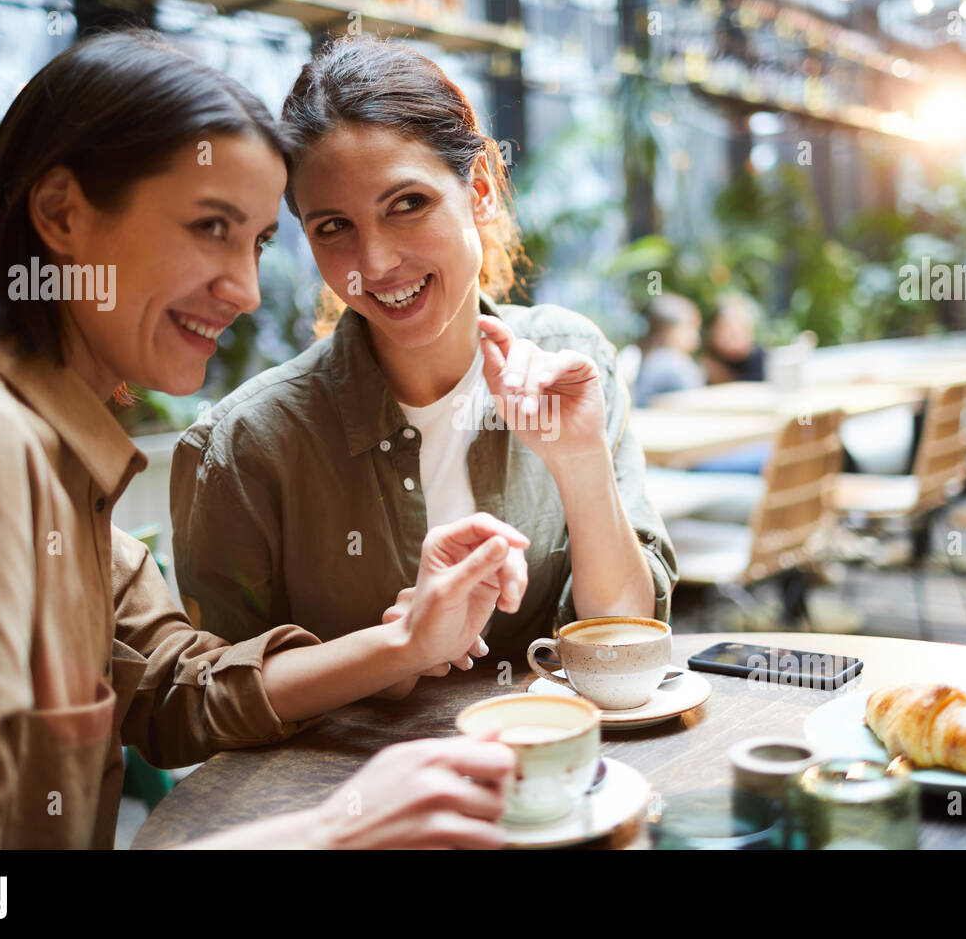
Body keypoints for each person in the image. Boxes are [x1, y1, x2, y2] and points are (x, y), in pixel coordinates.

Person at [0, 31, 521, 849]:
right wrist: (330, 833)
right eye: (210, 228)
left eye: (258, 244)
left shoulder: (57, 456)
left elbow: (180, 692)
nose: (243, 291)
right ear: (62, 214)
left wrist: (407, 642)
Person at [170, 36, 676, 688]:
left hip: (564, 772)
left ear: (482, 189)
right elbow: (216, 703)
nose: (375, 263)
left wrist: (579, 464)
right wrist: (395, 652)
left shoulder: (569, 360)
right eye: (333, 228)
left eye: (407, 204)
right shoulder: (246, 447)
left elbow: (623, 646)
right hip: (356, 789)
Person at [631, 292, 705, 407]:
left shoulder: (653, 358)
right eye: (690, 328)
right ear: (668, 331)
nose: (696, 336)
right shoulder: (673, 363)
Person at [702, 291, 765, 385]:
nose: (730, 338)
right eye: (725, 330)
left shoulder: (763, 362)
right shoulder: (708, 361)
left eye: (737, 330)